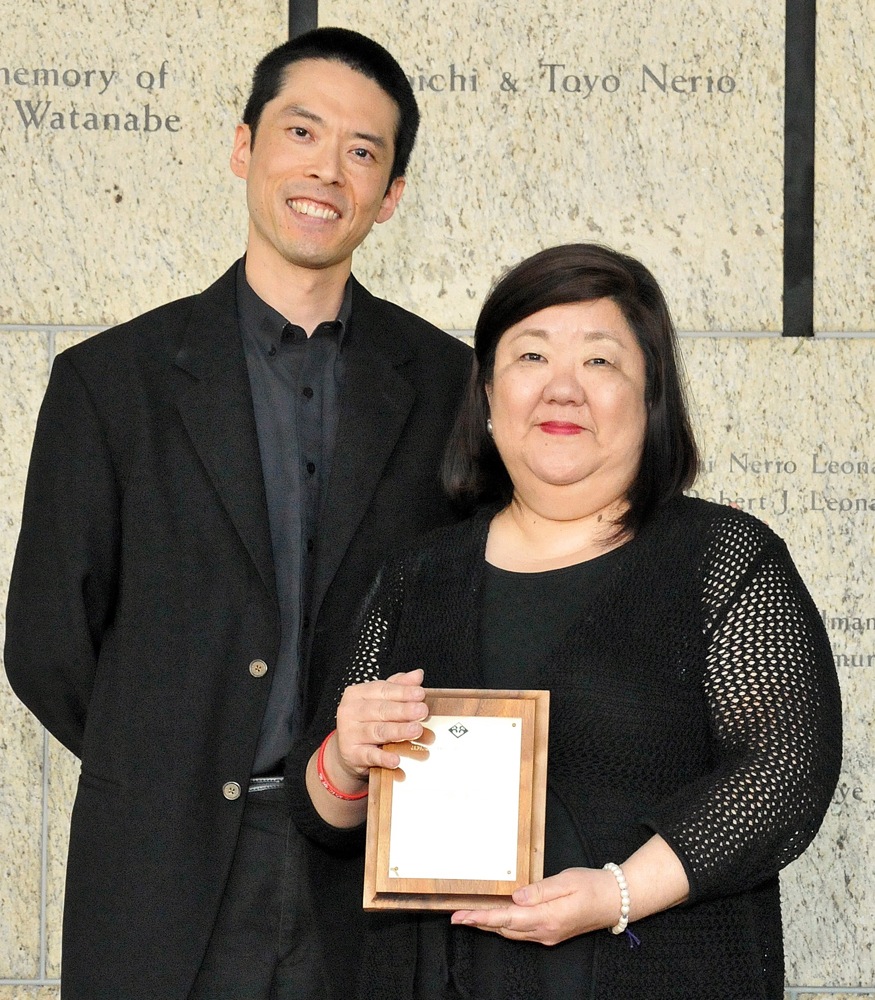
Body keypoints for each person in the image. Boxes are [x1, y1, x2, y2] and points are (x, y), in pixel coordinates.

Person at [4, 27, 471, 1000]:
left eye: (361, 150)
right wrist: (175, 757)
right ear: (243, 146)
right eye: (301, 131)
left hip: (370, 874)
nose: (325, 169)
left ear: (390, 194)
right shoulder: (110, 383)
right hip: (160, 871)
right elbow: (47, 643)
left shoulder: (447, 385)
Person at [289, 243, 842, 999]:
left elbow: (783, 773)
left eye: (599, 361)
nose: (562, 389)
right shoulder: (417, 574)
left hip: (655, 974)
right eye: (531, 356)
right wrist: (346, 757)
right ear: (488, 395)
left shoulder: (719, 557)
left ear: (650, 397)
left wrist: (619, 892)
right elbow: (320, 810)